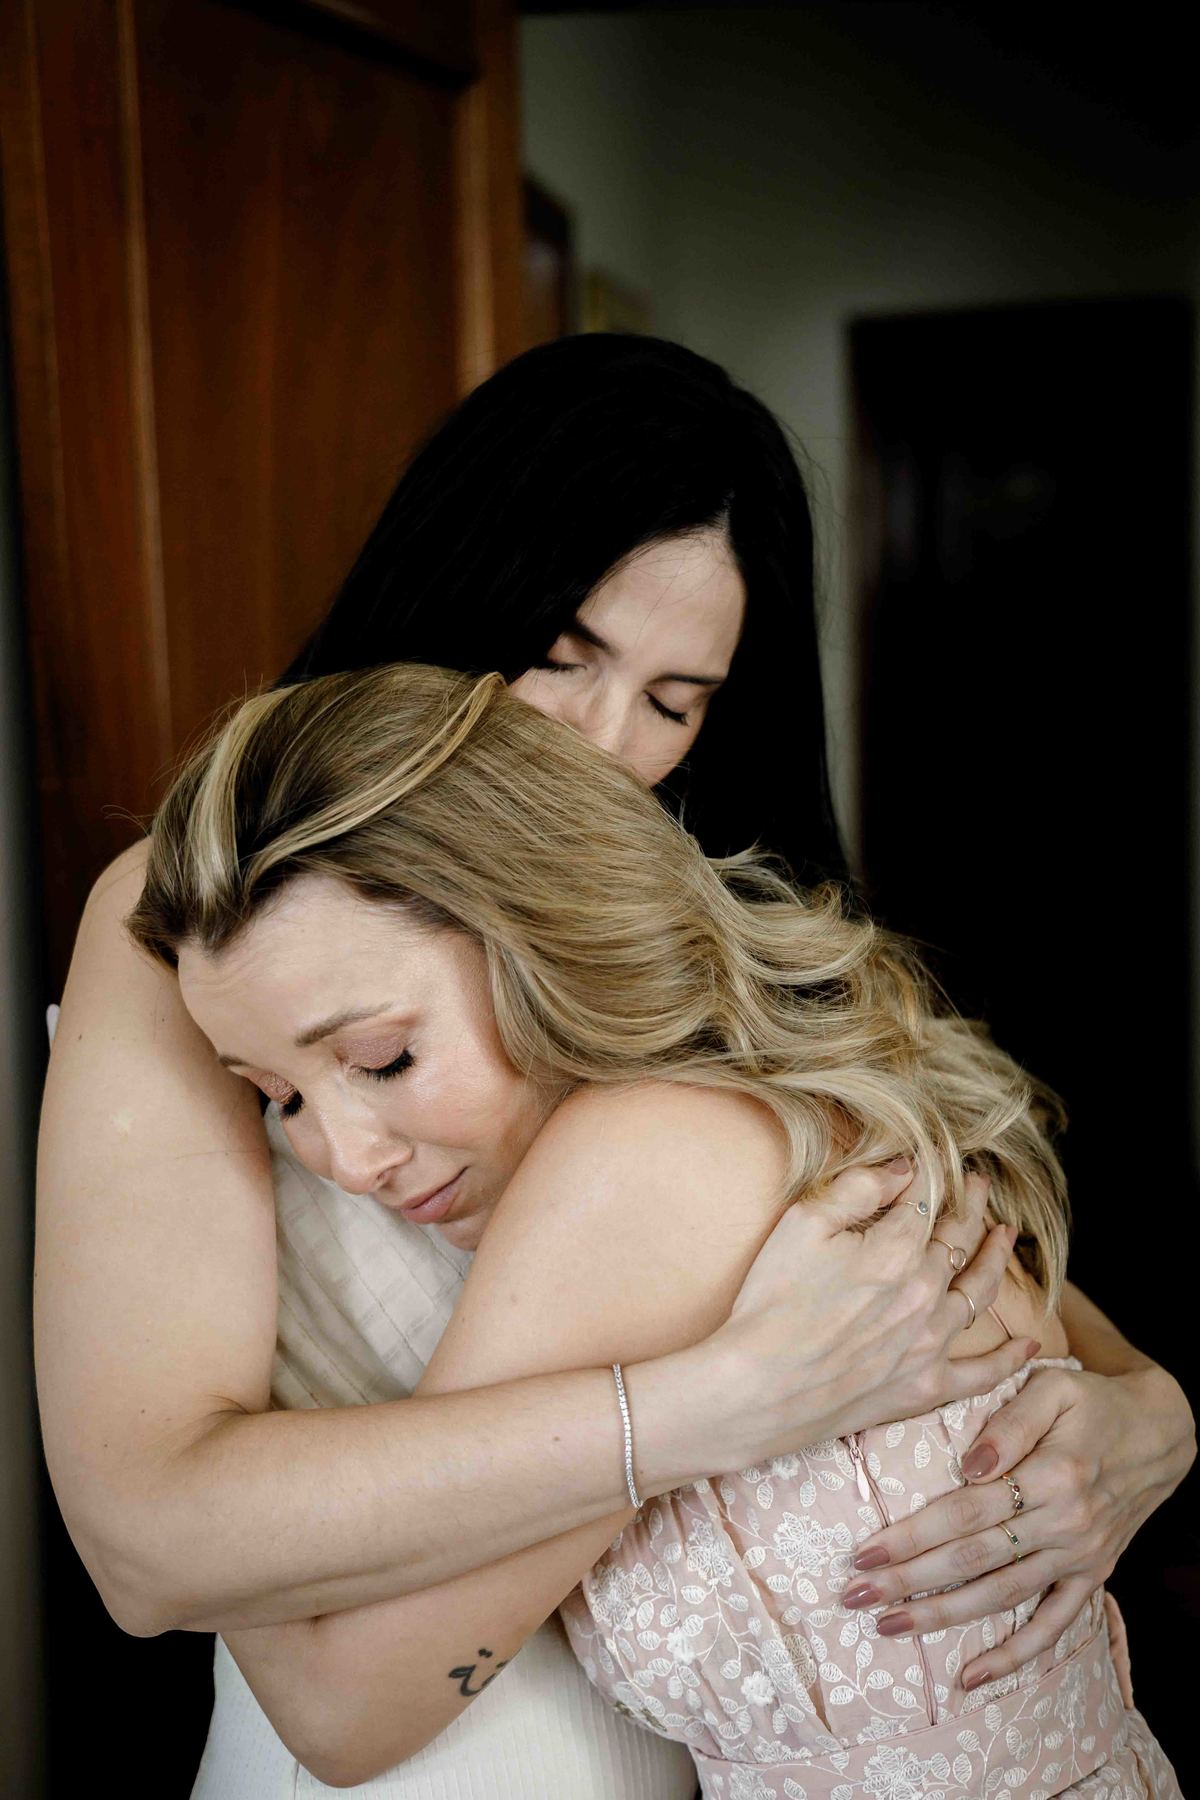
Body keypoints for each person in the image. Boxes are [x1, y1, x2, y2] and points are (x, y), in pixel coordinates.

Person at [36, 337, 1192, 1793]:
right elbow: (149, 1539)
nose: (598, 746)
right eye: (561, 656)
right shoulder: (199, 930)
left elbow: (975, 1281)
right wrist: (713, 1406)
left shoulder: (683, 1009)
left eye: (673, 700)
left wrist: (1153, 1412)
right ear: (453, 596)